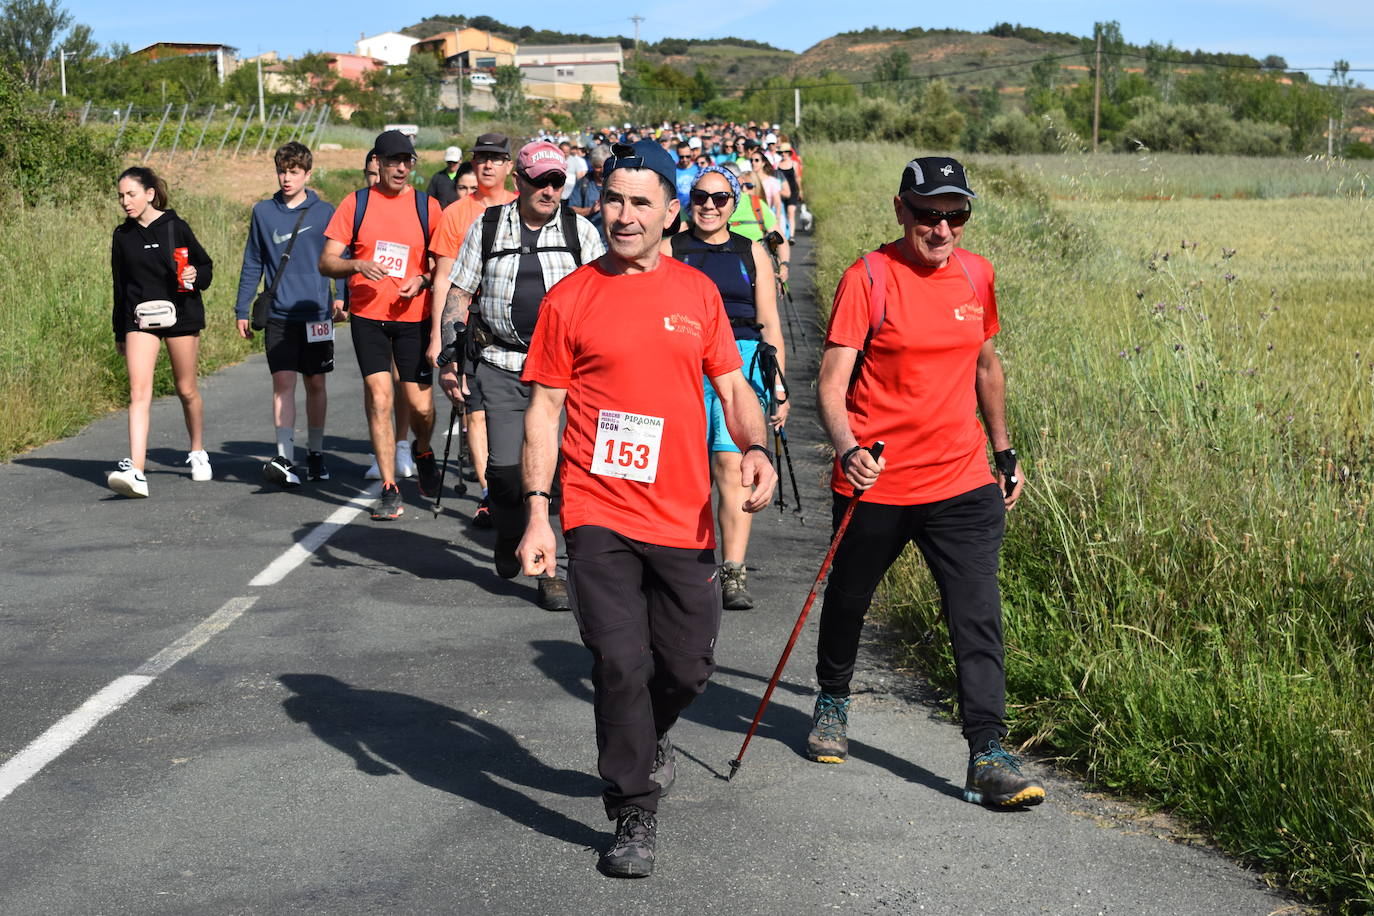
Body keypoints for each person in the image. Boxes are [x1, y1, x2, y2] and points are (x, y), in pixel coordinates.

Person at [517, 139, 777, 878]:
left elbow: (732, 386)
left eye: (640, 203)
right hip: (598, 512)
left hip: (684, 515)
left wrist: (754, 446)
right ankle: (633, 810)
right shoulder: (571, 297)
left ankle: (650, 732)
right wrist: (541, 511)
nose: (623, 215)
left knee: (689, 668)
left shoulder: (696, 294)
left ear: (671, 214)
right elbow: (544, 410)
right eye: (613, 200)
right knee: (619, 663)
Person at [809, 156, 1044, 810]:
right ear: (900, 210)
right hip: (876, 479)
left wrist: (1005, 450)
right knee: (850, 599)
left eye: (956, 216)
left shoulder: (977, 275)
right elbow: (831, 382)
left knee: (977, 615)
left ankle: (987, 753)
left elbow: (987, 366)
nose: (942, 229)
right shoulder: (869, 277)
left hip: (961, 478)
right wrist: (847, 447)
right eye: (928, 215)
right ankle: (832, 699)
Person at [436, 140, 604, 611]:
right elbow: (460, 292)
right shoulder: (487, 228)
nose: (550, 190)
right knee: (508, 473)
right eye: (540, 181)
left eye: (557, 181)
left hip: (567, 373)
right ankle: (511, 531)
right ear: (519, 182)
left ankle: (550, 570)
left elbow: (603, 299)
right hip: (504, 365)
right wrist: (451, 354)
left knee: (563, 474)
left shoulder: (582, 232)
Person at [662, 165, 788, 609]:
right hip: (683, 360)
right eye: (700, 197)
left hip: (742, 364)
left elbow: (769, 322)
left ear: (734, 205)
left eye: (719, 198)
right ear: (688, 200)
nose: (709, 206)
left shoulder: (751, 252)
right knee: (682, 470)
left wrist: (779, 389)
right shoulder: (669, 248)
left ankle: (732, 571)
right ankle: (683, 562)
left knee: (732, 468)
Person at [319, 129, 444, 520]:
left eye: (408, 161)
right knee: (379, 398)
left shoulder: (429, 207)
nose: (402, 168)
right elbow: (326, 261)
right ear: (378, 162)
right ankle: (389, 487)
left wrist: (422, 280)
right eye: (394, 161)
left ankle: (422, 449)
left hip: (414, 317)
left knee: (421, 406)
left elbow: (443, 264)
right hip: (368, 317)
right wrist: (356, 264)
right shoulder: (356, 204)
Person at [234, 141, 340, 488]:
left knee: (316, 383)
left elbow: (345, 254)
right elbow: (252, 261)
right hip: (278, 313)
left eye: (293, 172)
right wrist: (242, 307)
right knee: (283, 383)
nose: (286, 178)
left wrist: (346, 298)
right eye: (281, 170)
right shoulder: (263, 212)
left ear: (308, 174)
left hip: (317, 313)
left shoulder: (325, 212)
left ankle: (317, 452)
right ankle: (285, 456)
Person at [107, 166, 214, 498]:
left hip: (181, 313)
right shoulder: (122, 236)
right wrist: (120, 332)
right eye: (121, 196)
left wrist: (197, 274)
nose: (126, 201)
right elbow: (120, 287)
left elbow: (205, 267)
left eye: (132, 194)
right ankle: (137, 471)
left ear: (150, 193)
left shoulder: (175, 227)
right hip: (140, 318)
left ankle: (197, 451)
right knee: (139, 393)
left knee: (186, 389)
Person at [430, 133, 516, 528]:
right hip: (470, 323)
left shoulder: (523, 208)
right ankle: (489, 494)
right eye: (481, 157)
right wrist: (439, 339)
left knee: (522, 413)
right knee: (475, 411)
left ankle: (521, 484)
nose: (488, 165)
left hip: (518, 326)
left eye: (496, 159)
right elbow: (443, 278)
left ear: (509, 167)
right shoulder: (456, 213)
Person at [356, 149, 418, 484]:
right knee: (376, 390)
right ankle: (382, 457)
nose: (372, 179)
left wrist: (421, 280)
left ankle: (404, 443)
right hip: (369, 310)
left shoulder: (419, 205)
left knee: (402, 385)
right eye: (368, 173)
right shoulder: (359, 205)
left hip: (408, 311)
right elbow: (345, 254)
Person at [723, 161, 790, 290]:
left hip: (757, 275)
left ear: (740, 181)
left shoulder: (756, 204)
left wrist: (783, 266)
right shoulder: (710, 207)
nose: (727, 183)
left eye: (731, 178)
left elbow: (779, 239)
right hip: (723, 273)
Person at [568, 144, 609, 238]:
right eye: (598, 167)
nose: (602, 170)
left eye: (605, 166)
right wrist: (590, 210)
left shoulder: (618, 182)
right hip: (590, 239)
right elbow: (571, 210)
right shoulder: (583, 183)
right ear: (592, 165)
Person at [673, 141, 699, 212]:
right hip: (679, 210)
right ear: (677, 154)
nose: (684, 159)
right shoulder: (673, 170)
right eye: (681, 157)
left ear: (691, 153)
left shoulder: (698, 168)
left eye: (687, 156)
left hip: (694, 209)